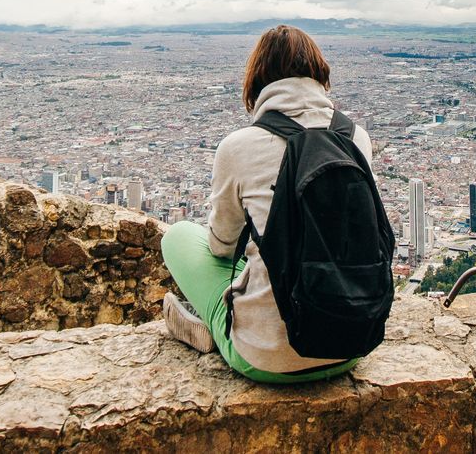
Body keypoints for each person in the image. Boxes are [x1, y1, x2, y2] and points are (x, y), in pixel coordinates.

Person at [160, 25, 374, 383]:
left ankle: (213, 327)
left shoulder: (239, 147)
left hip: (267, 357)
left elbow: (221, 246)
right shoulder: (356, 138)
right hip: (352, 344)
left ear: (257, 81)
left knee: (178, 236)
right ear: (319, 74)